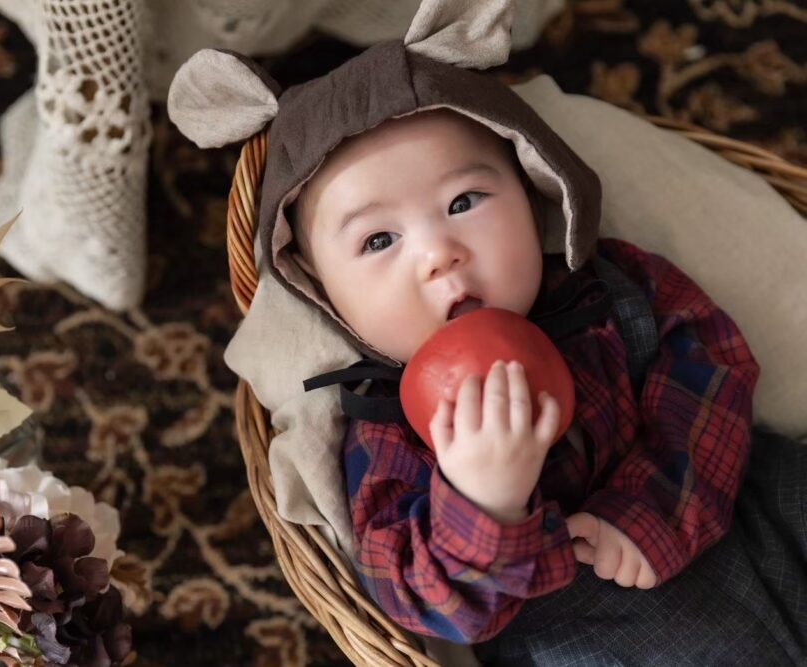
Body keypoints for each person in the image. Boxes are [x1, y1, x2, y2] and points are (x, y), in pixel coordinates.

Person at [166, 1, 807, 662]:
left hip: (745, 512)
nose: (438, 254)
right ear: (321, 293)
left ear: (531, 192)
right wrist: (483, 501)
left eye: (464, 202)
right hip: (601, 630)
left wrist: (656, 502)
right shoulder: (386, 428)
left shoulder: (606, 291)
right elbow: (414, 592)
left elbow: (710, 366)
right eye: (379, 240)